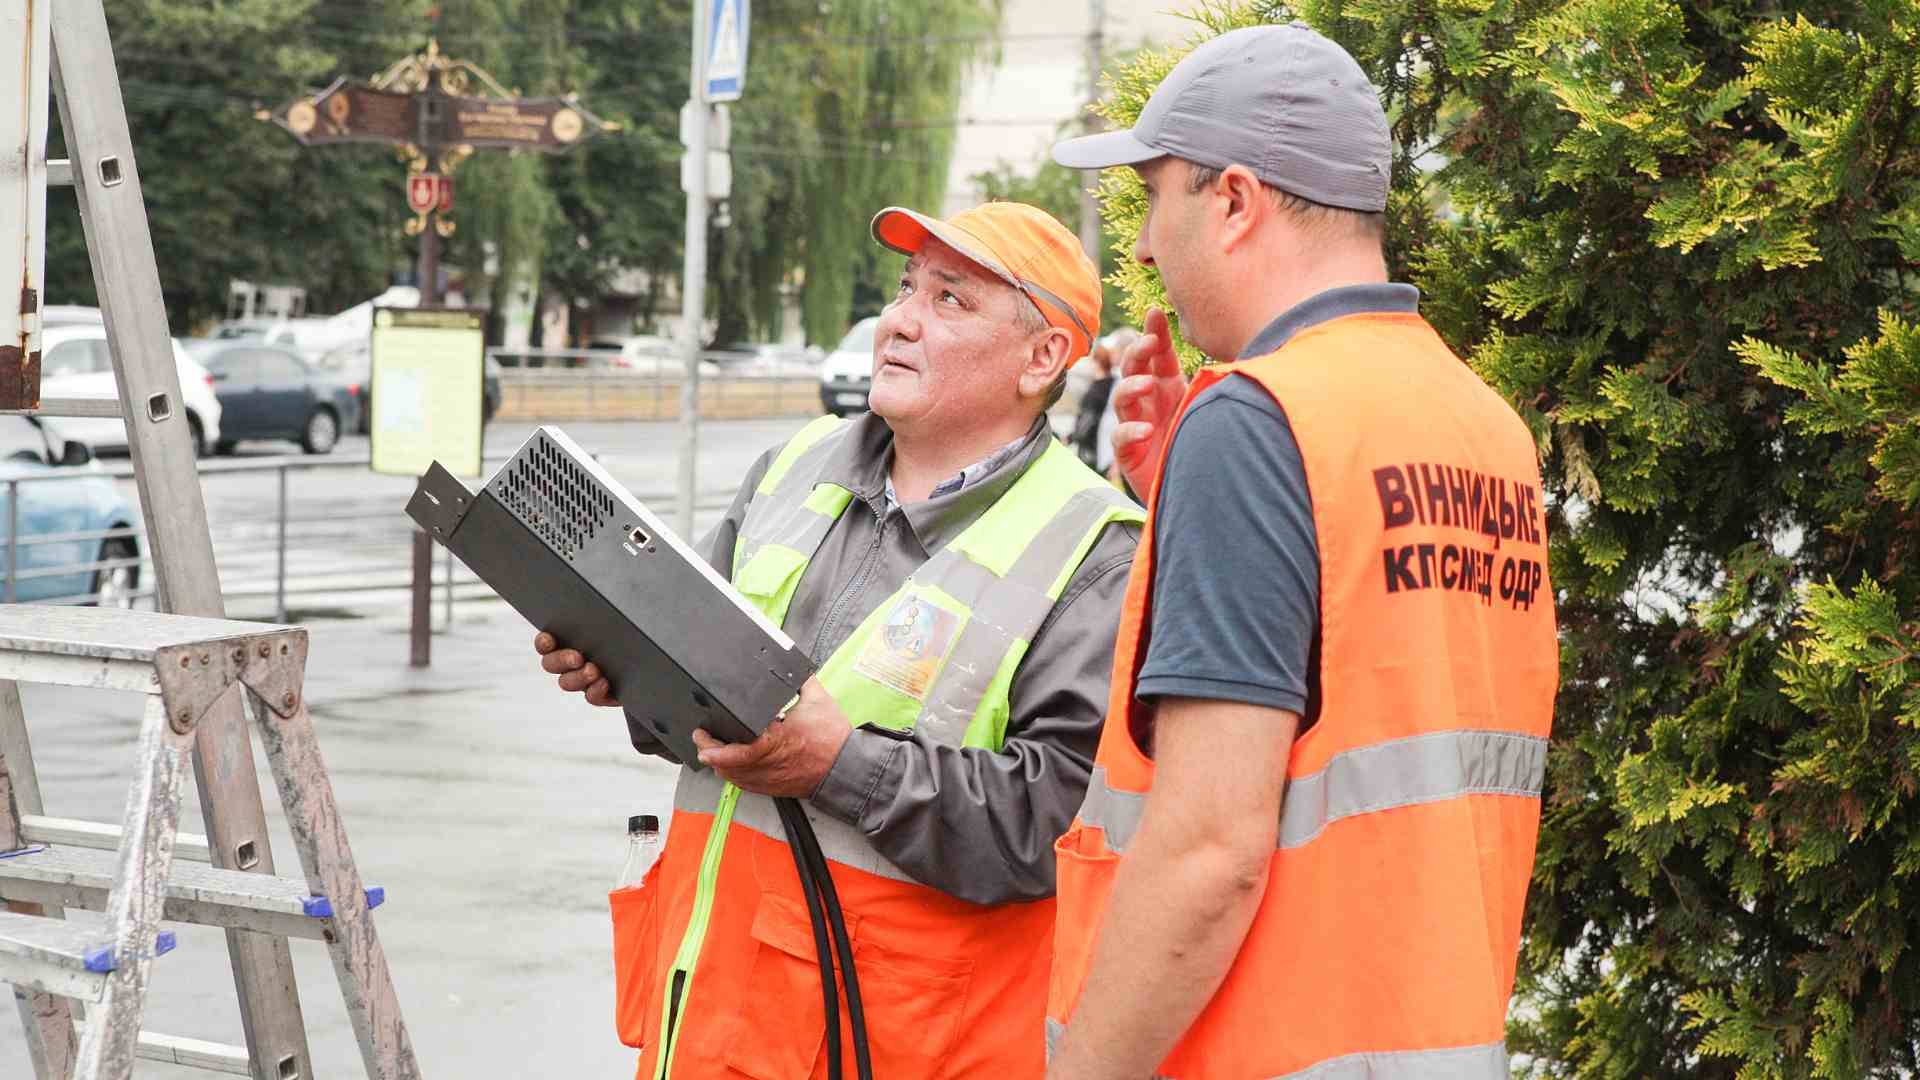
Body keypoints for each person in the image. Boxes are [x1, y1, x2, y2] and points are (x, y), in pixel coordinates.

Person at [1043, 22, 1559, 1079]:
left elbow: (1209, 853)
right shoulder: (1479, 421)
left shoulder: (1260, 425)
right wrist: (1188, 507)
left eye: (1155, 198)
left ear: (1234, 201)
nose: (1142, 247)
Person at [536, 201, 1143, 1080]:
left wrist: (839, 765)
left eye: (951, 300)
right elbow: (696, 715)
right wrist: (622, 667)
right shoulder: (795, 464)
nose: (899, 319)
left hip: (887, 1039)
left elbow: (1051, 826)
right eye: (905, 289)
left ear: (1043, 357)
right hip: (708, 1017)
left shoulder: (1094, 550)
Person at [1067, 335, 1117, 470]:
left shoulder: (1095, 390)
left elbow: (1087, 421)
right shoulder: (1114, 384)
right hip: (1107, 448)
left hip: (1091, 449)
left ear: (1097, 362)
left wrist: (1071, 438)